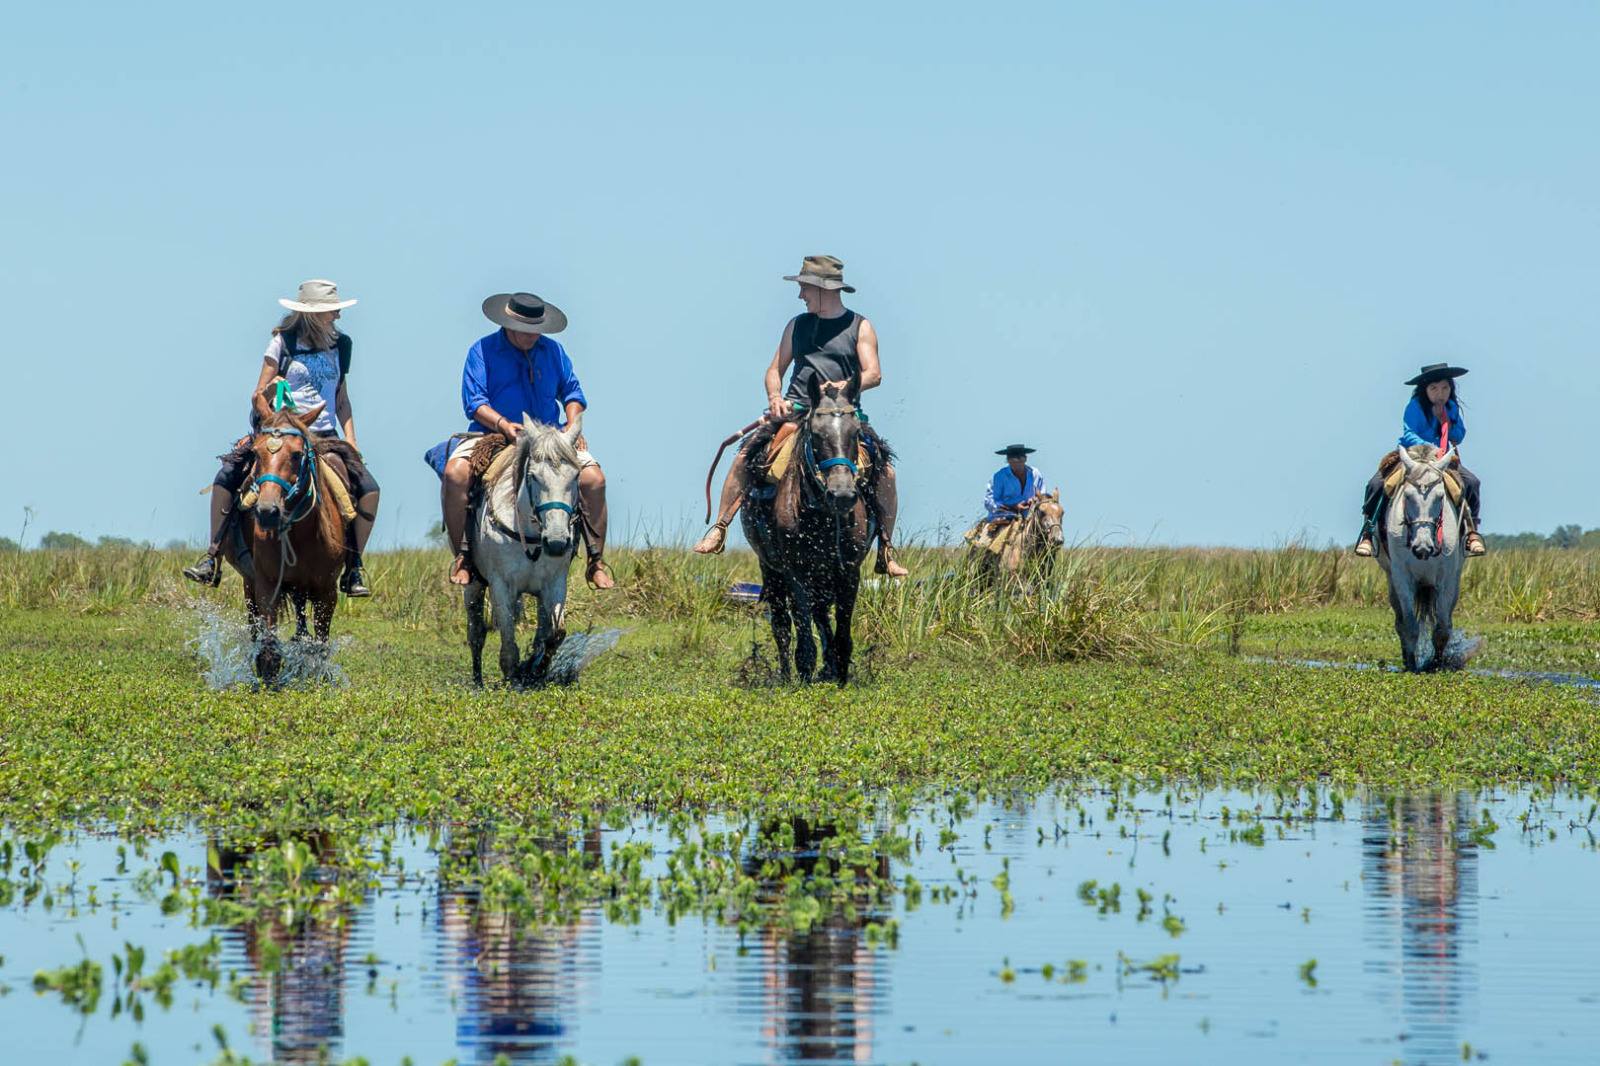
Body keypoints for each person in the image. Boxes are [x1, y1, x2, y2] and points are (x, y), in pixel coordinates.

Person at [692, 255, 907, 577]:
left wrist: (843, 386)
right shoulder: (797, 324)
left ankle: (886, 549)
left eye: (805, 288)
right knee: (744, 456)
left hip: (842, 414)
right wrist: (774, 398)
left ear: (824, 289)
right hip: (795, 412)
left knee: (885, 471)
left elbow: (874, 373)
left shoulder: (860, 326)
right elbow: (773, 370)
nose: (800, 295)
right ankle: (720, 527)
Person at [183, 280, 380, 595]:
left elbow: (341, 398)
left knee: (369, 488)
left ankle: (353, 566)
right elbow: (258, 394)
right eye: (332, 310)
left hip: (325, 434)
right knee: (228, 475)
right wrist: (275, 417)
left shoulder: (342, 346)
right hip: (282, 431)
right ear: (312, 314)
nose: (339, 315)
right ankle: (213, 555)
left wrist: (352, 440)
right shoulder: (282, 343)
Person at [435, 292, 615, 589]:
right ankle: (463, 555)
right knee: (455, 474)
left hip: (551, 437)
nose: (533, 336)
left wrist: (572, 425)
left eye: (537, 330)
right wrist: (504, 425)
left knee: (594, 480)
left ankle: (595, 560)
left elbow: (572, 393)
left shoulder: (553, 351)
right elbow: (475, 402)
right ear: (508, 324)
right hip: (492, 434)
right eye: (526, 331)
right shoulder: (482, 350)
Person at [1355, 363, 1485, 558]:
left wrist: (1447, 423)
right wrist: (1430, 448)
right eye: (1434, 388)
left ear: (1451, 388)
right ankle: (1368, 533)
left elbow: (1459, 435)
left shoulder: (1451, 407)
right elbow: (1409, 434)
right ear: (1425, 390)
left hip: (1441, 458)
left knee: (1472, 482)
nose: (1440, 393)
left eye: (1444, 388)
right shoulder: (1415, 406)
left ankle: (1472, 532)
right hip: (1413, 455)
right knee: (1376, 484)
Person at [982, 445, 1046, 523]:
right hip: (1005, 517)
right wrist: (1013, 507)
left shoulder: (1035, 474)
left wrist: (1034, 500)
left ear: (1025, 459)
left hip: (1031, 517)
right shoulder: (999, 477)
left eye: (1020, 457)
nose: (1017, 460)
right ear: (1008, 460)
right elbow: (989, 501)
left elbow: (1042, 496)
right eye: (1014, 457)